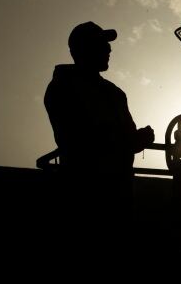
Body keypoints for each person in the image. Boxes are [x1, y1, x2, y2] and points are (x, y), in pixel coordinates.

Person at [43, 21, 154, 248]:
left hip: (118, 195)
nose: (109, 50)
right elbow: (80, 138)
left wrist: (137, 139)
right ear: (83, 49)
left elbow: (122, 138)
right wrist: (132, 140)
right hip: (86, 193)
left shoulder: (114, 93)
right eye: (102, 44)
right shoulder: (63, 88)